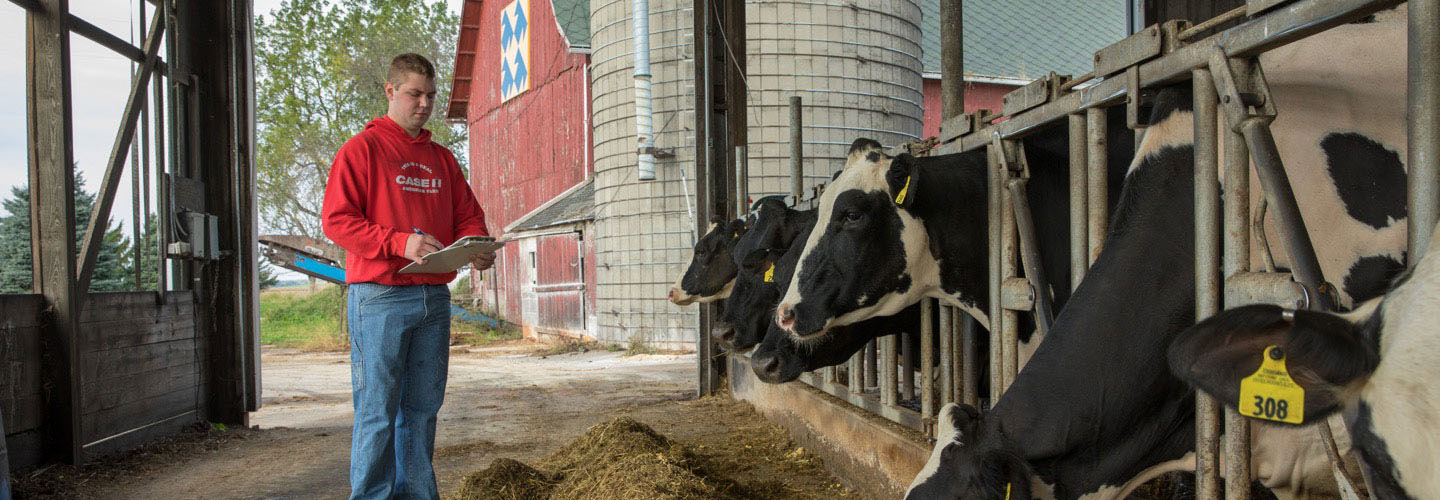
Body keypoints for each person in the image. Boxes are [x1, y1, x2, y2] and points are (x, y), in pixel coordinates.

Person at [321, 53, 494, 499]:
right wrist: (401, 243)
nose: (424, 104)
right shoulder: (361, 150)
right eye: (415, 94)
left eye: (430, 96)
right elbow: (337, 221)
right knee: (377, 411)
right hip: (379, 296)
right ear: (390, 92)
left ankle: (417, 493)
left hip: (432, 300)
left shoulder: (442, 160)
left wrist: (476, 246)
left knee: (421, 411)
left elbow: (469, 217)